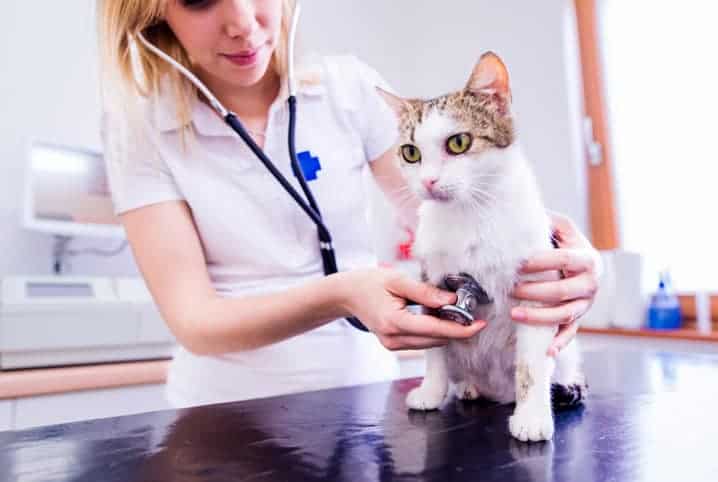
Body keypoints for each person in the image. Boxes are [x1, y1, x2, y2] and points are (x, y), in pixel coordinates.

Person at [98, 0, 601, 407]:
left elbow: (451, 208)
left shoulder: (349, 89)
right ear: (152, 12)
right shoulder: (140, 126)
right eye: (200, 1)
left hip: (362, 404)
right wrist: (341, 294)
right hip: (224, 414)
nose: (244, 23)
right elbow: (196, 323)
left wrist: (566, 255)